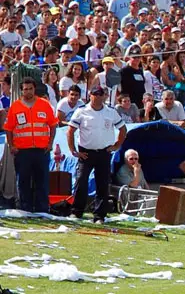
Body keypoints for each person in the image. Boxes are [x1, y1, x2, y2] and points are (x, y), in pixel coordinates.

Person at [67, 85, 127, 224]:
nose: (98, 97)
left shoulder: (110, 112)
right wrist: (73, 150)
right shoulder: (81, 111)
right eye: (95, 94)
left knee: (103, 184)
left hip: (104, 152)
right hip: (86, 152)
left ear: (104, 96)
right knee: (81, 180)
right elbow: (70, 131)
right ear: (90, 95)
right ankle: (76, 211)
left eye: (101, 94)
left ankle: (99, 215)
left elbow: (123, 129)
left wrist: (117, 145)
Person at [3, 77, 58, 213]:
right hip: (22, 151)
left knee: (42, 181)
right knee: (23, 182)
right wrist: (11, 146)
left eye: (31, 89)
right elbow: (8, 128)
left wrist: (50, 143)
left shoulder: (44, 105)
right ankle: (24, 209)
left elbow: (53, 125)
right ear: (21, 91)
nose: (28, 92)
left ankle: (42, 210)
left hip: (41, 150)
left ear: (34, 89)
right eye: (25, 89)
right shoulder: (15, 107)